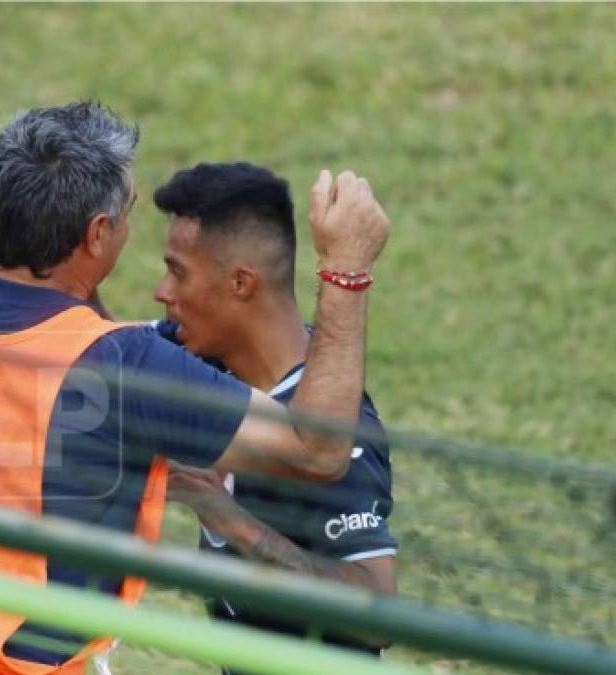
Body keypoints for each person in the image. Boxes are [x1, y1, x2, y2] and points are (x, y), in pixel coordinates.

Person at [0, 37, 390, 675]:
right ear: (98, 235)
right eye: (123, 214)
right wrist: (345, 273)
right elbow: (316, 449)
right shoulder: (127, 367)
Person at [151, 163, 396, 670]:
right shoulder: (210, 363)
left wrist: (229, 519)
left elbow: (376, 614)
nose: (162, 291)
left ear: (241, 283)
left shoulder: (342, 432)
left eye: (178, 271)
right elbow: (97, 346)